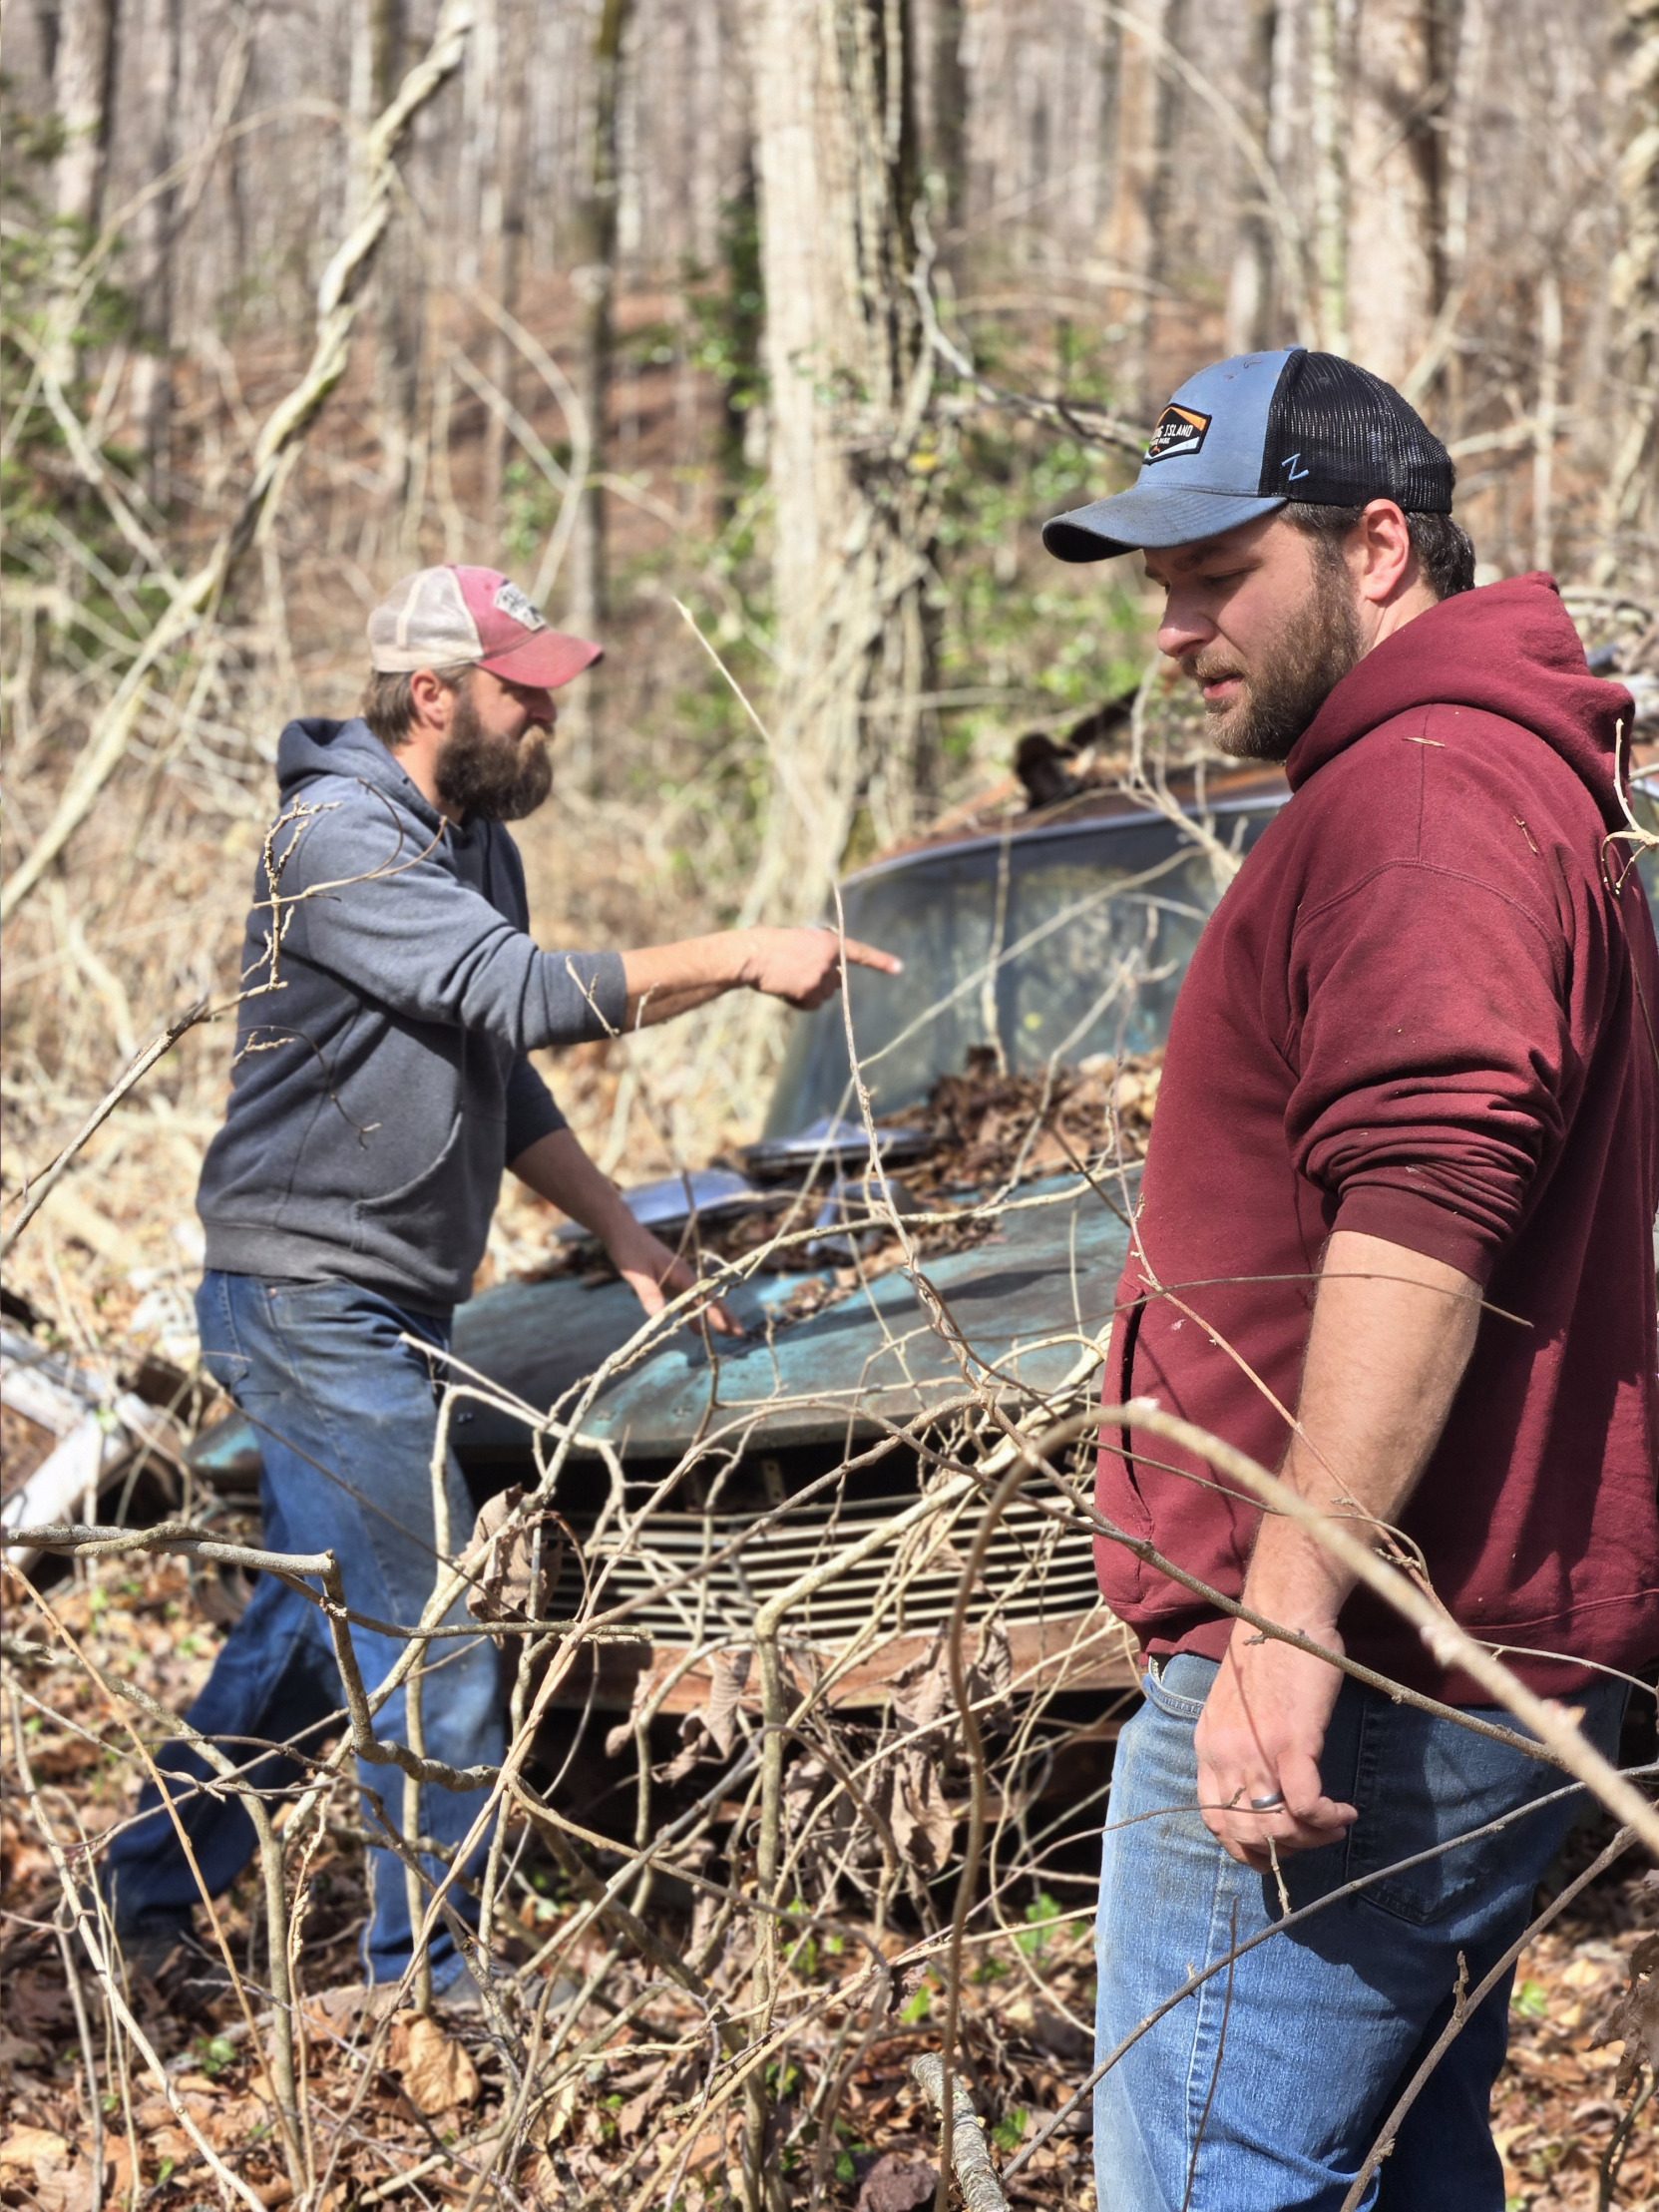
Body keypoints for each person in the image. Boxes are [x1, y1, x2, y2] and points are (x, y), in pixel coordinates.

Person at [1041, 350, 1659, 2207]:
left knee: (1221, 2175)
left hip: (1377, 1669)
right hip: (1447, 1657)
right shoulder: (1488, 773)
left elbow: (1423, 1208)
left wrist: (1284, 1624)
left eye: (1215, 572)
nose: (1173, 631)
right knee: (1395, 2170)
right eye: (1158, 586)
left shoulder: (1420, 793)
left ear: (1375, 542)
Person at [105, 563, 899, 1996]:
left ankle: (142, 1890)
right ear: (433, 695)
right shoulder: (335, 837)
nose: (552, 715)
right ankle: (435, 1986)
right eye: (526, 690)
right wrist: (741, 953)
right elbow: (524, 992)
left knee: (311, 1630)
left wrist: (622, 1228)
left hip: (395, 1298)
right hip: (300, 1295)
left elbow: (497, 1062)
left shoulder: (472, 843)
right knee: (440, 1622)